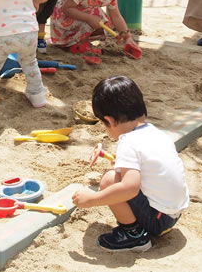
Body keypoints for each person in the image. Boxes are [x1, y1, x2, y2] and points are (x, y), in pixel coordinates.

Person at [72, 76, 189, 252]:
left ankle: (134, 236)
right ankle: (137, 231)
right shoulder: (155, 132)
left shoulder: (128, 141)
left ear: (109, 121)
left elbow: (130, 188)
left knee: (110, 180)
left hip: (158, 219)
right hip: (173, 212)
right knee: (118, 174)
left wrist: (92, 199)